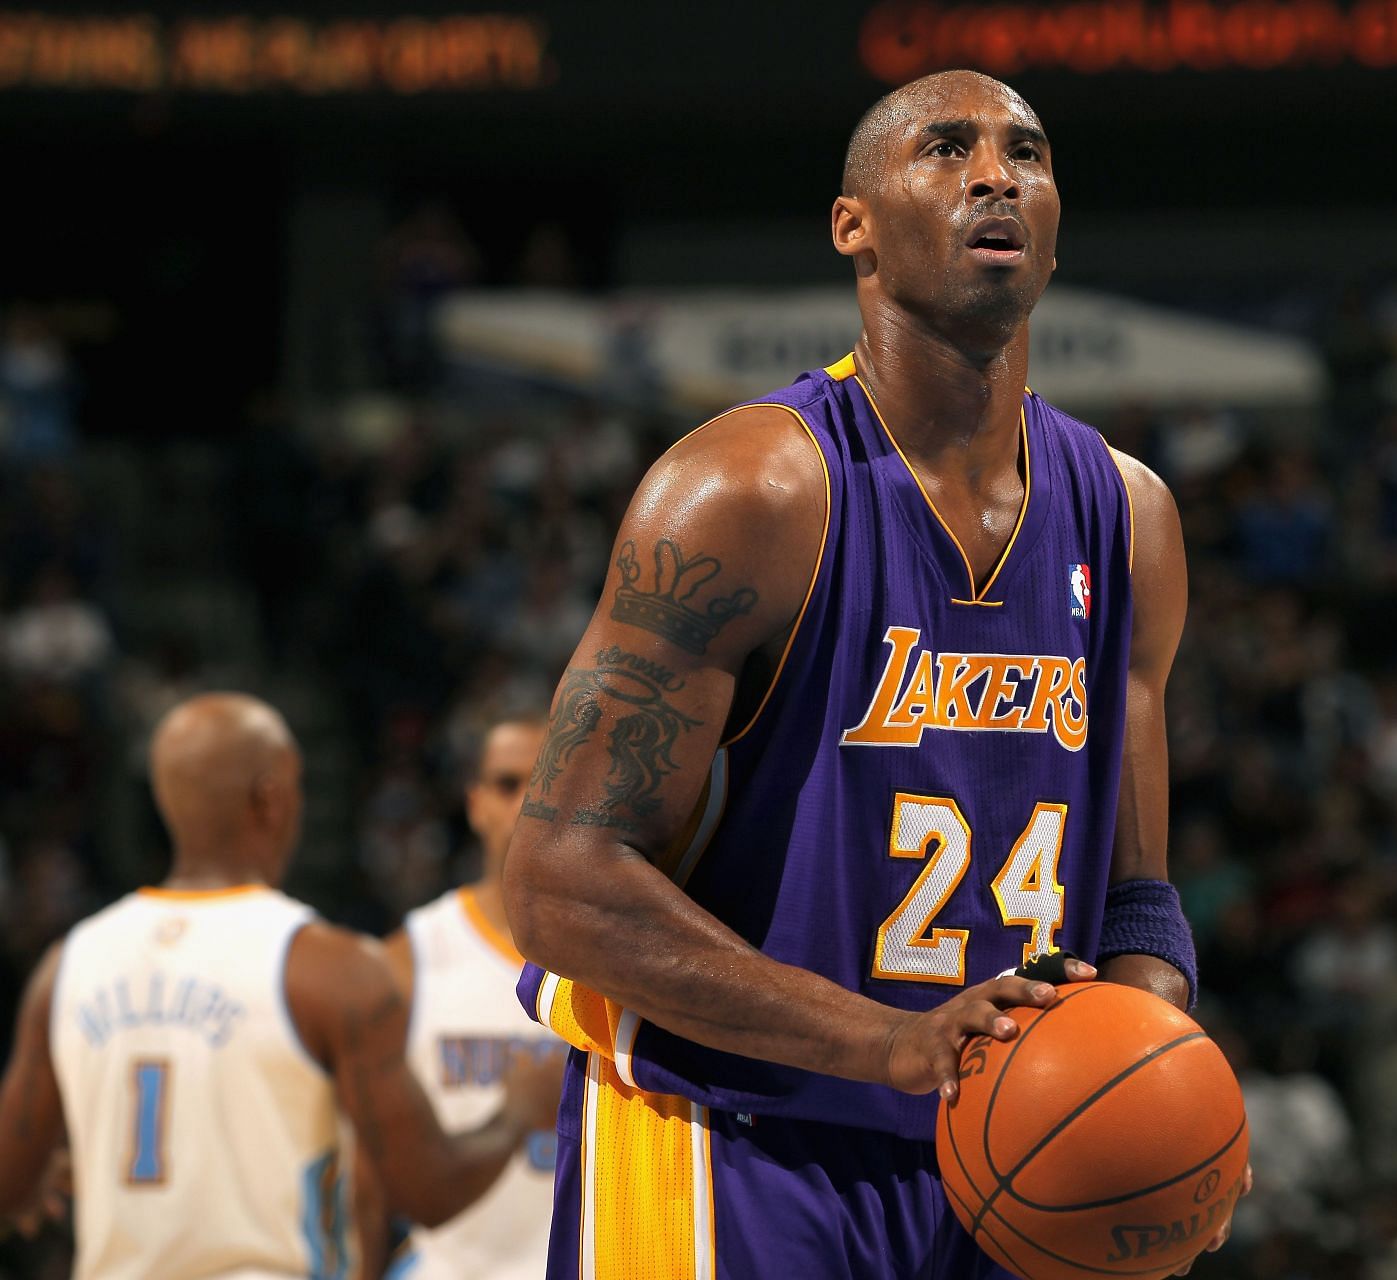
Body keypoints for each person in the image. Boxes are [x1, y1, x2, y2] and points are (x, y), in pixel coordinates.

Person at [503, 71, 1249, 1278]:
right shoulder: (748, 489)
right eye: (947, 149)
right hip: (729, 1141)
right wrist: (892, 1044)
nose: (997, 174)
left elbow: (1136, 901)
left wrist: (1152, 1067)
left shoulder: (1129, 517)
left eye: (1028, 153)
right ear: (853, 223)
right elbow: (558, 882)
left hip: (998, 1165)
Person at [0, 693, 560, 1280]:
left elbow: (11, 1187)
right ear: (272, 800)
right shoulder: (330, 967)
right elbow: (428, 1191)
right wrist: (517, 1111)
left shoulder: (67, 965)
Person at [362, 715, 563, 1278]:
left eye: (547, 780)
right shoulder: (408, 958)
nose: (527, 801)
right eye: (507, 784)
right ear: (475, 803)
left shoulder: (622, 957)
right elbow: (369, 1168)